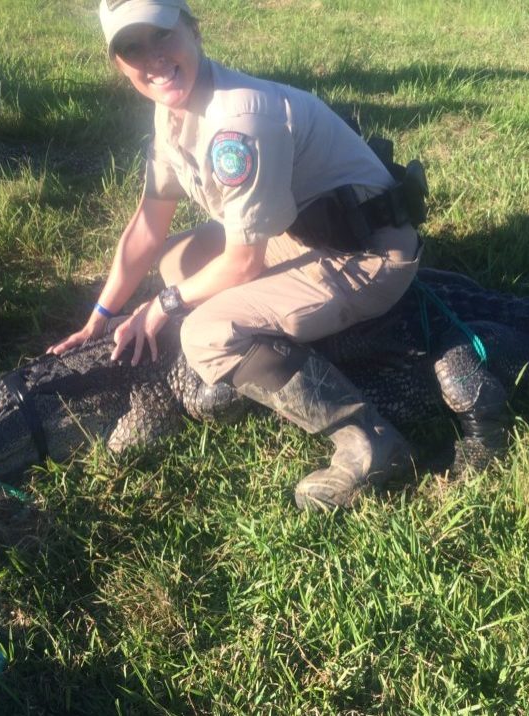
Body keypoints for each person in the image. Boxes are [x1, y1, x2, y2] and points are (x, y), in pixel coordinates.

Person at [48, 0, 423, 510]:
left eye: (161, 36)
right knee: (177, 259)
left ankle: (369, 441)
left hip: (366, 256)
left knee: (204, 334)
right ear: (119, 64)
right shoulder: (172, 109)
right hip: (308, 229)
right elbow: (149, 222)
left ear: (194, 31)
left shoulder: (237, 125)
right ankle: (260, 336)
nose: (152, 58)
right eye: (132, 48)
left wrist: (163, 306)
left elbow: (243, 262)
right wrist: (101, 314)